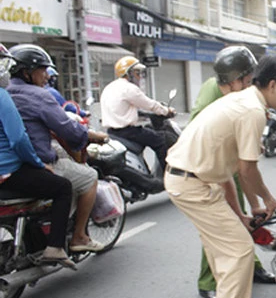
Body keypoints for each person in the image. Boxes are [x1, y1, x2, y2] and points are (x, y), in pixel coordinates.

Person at [165, 54, 276, 298]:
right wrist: (267, 198)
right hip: (192, 184)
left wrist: (242, 213)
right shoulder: (251, 110)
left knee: (221, 249)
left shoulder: (243, 102)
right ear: (273, 85)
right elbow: (247, 170)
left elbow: (230, 170)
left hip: (191, 179)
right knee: (238, 250)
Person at [190, 46, 276, 298]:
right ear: (233, 80)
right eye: (247, 80)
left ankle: (252, 267)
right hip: (209, 167)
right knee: (223, 225)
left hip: (231, 162)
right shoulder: (212, 90)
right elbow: (200, 130)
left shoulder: (243, 91)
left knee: (243, 220)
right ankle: (208, 282)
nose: (250, 85)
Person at [6, 44, 107, 254]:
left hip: (11, 165)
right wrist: (89, 136)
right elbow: (61, 129)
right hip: (27, 164)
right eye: (42, 70)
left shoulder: (7, 92)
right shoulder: (36, 95)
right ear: (26, 72)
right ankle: (77, 237)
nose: (46, 76)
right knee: (87, 177)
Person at [0, 44, 76, 269]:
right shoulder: (2, 96)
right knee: (62, 186)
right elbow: (18, 139)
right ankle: (55, 247)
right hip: (10, 171)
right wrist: (37, 164)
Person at [100, 56, 175, 170]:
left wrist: (141, 114)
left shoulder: (109, 87)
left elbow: (121, 109)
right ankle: (169, 174)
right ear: (128, 73)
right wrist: (166, 111)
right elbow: (150, 105)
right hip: (127, 132)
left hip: (112, 131)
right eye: (136, 73)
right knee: (161, 140)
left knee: (149, 134)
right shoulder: (129, 88)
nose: (139, 76)